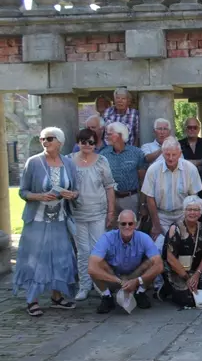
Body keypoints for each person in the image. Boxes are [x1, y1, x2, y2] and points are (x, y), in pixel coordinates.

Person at [14, 127, 79, 316]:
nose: (45, 142)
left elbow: (75, 191)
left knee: (60, 257)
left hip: (59, 219)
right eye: (42, 139)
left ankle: (57, 297)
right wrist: (40, 196)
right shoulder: (33, 163)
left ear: (60, 141)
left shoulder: (68, 163)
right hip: (37, 219)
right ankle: (31, 300)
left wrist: (71, 194)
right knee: (35, 259)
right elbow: (23, 192)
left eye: (49, 139)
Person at [88, 210, 164, 314]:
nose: (127, 226)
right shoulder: (106, 238)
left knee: (151, 262)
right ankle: (107, 296)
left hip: (135, 274)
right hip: (113, 275)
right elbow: (91, 268)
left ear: (136, 224)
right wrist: (119, 281)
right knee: (98, 264)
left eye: (130, 223)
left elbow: (159, 266)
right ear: (118, 225)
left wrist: (137, 281)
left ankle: (140, 293)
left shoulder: (143, 237)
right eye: (123, 223)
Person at [71, 129, 116, 301]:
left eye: (90, 142)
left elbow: (109, 187)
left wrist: (111, 211)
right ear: (78, 142)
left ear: (96, 143)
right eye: (83, 142)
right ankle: (84, 285)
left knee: (98, 250)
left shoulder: (102, 161)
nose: (87, 145)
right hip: (77, 212)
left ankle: (100, 284)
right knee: (82, 251)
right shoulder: (69, 161)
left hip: (98, 212)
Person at [141, 137, 202, 238]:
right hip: (161, 216)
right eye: (167, 154)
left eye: (174, 154)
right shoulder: (153, 169)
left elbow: (193, 198)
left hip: (183, 214)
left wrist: (191, 221)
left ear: (179, 153)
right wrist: (156, 225)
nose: (170, 158)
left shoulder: (190, 169)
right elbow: (150, 198)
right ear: (162, 153)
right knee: (159, 248)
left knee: (184, 246)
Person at [162, 196, 202, 307]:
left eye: (196, 210)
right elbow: (170, 258)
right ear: (184, 211)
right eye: (189, 209)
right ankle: (166, 288)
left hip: (195, 270)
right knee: (188, 299)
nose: (192, 213)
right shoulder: (175, 229)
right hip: (178, 270)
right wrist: (187, 278)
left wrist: (197, 274)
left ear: (200, 212)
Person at [100, 122, 146, 223]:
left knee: (130, 229)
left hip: (130, 199)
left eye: (109, 134)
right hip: (109, 199)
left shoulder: (136, 153)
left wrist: (142, 204)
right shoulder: (103, 154)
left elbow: (142, 180)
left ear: (119, 135)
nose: (106, 137)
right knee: (110, 229)